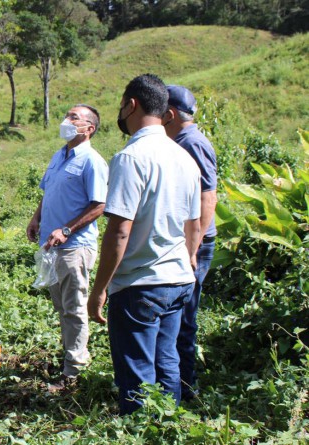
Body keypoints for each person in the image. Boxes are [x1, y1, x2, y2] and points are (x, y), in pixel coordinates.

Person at [87, 74, 202, 415]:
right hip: (178, 279)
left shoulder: (131, 157)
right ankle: (167, 426)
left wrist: (100, 289)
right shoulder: (184, 158)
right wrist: (189, 260)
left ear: (131, 105)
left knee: (136, 370)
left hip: (140, 284)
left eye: (122, 105)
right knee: (167, 360)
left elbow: (120, 231)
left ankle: (139, 429)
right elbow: (193, 225)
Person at [26, 104, 108, 392]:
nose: (67, 121)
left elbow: (99, 205)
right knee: (62, 306)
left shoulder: (92, 161)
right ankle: (69, 359)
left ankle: (74, 372)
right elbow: (48, 191)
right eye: (67, 115)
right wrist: (36, 218)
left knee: (74, 307)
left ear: (89, 128)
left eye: (74, 117)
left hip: (75, 247)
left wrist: (67, 229)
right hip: (51, 245)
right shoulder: (60, 155)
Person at [163, 85, 218, 401]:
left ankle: (186, 388)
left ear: (169, 114)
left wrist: (191, 248)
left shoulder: (191, 143)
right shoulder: (180, 142)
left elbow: (207, 197)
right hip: (186, 241)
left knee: (182, 317)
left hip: (194, 244)